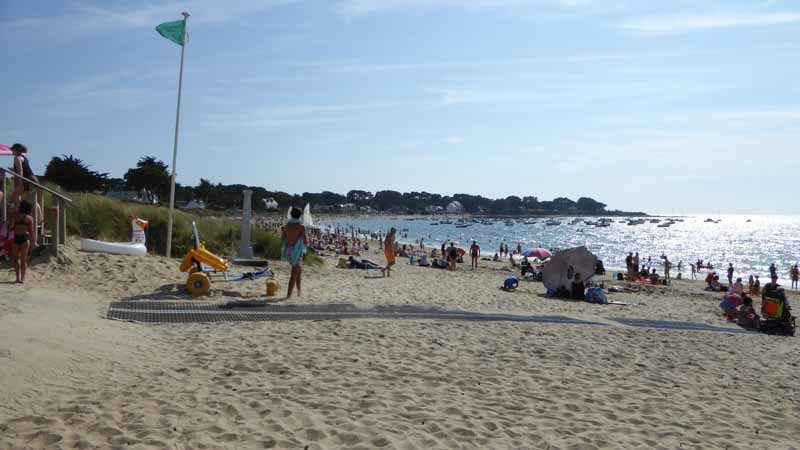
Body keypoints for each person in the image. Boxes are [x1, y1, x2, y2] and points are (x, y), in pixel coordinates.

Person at [281, 207, 308, 298]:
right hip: (296, 252)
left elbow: (282, 239)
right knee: (294, 273)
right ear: (300, 216)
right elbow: (305, 241)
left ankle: (299, 292)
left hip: (288, 251)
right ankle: (288, 295)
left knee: (298, 271)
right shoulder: (301, 227)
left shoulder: (287, 226)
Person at [10, 201, 35, 284]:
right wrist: (33, 242)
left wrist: (12, 221)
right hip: (25, 238)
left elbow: (10, 228)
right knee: (23, 260)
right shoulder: (29, 218)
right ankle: (22, 278)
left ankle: (18, 278)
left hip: (16, 238)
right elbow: (31, 232)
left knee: (15, 259)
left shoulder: (14, 217)